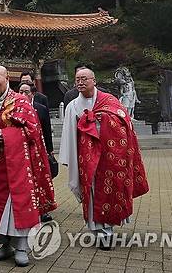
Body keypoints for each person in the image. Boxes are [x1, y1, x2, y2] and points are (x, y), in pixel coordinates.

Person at [0, 66, 56, 267]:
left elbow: (33, 131)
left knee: (19, 203)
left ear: (7, 78)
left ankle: (21, 247)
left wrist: (4, 136)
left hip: (20, 163)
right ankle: (4, 244)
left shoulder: (20, 102)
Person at [58, 68, 149, 250]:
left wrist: (103, 121)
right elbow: (69, 134)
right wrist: (71, 158)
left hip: (110, 157)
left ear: (94, 80)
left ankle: (107, 230)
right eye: (77, 79)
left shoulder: (110, 101)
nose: (80, 82)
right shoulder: (72, 106)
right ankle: (99, 231)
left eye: (84, 79)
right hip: (86, 158)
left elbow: (125, 124)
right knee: (91, 193)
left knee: (111, 190)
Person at [19, 83, 54, 222]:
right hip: (21, 151)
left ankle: (42, 209)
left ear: (33, 94)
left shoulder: (41, 109)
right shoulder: (13, 107)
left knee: (40, 180)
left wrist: (49, 150)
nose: (23, 95)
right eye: (20, 91)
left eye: (26, 92)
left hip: (39, 150)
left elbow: (46, 130)